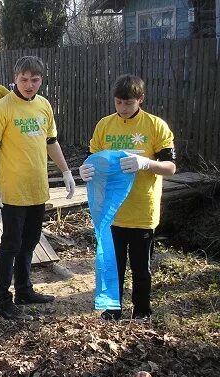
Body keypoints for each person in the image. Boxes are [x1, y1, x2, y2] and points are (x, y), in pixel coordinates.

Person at [0, 56, 76, 319]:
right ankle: (2, 299)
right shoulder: (2, 108)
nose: (29, 84)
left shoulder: (44, 106)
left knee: (31, 241)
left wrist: (66, 172)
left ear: (41, 80)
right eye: (24, 79)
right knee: (10, 243)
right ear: (15, 78)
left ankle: (24, 290)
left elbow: (51, 141)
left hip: (37, 188)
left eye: (34, 80)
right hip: (12, 191)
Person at [79, 74, 176, 321]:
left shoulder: (155, 126)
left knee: (141, 266)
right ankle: (113, 309)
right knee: (113, 263)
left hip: (142, 209)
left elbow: (171, 167)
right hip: (112, 211)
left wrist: (146, 163)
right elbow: (94, 159)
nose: (122, 109)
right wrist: (86, 170)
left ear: (140, 99)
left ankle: (142, 310)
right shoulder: (104, 125)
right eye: (118, 103)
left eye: (128, 103)